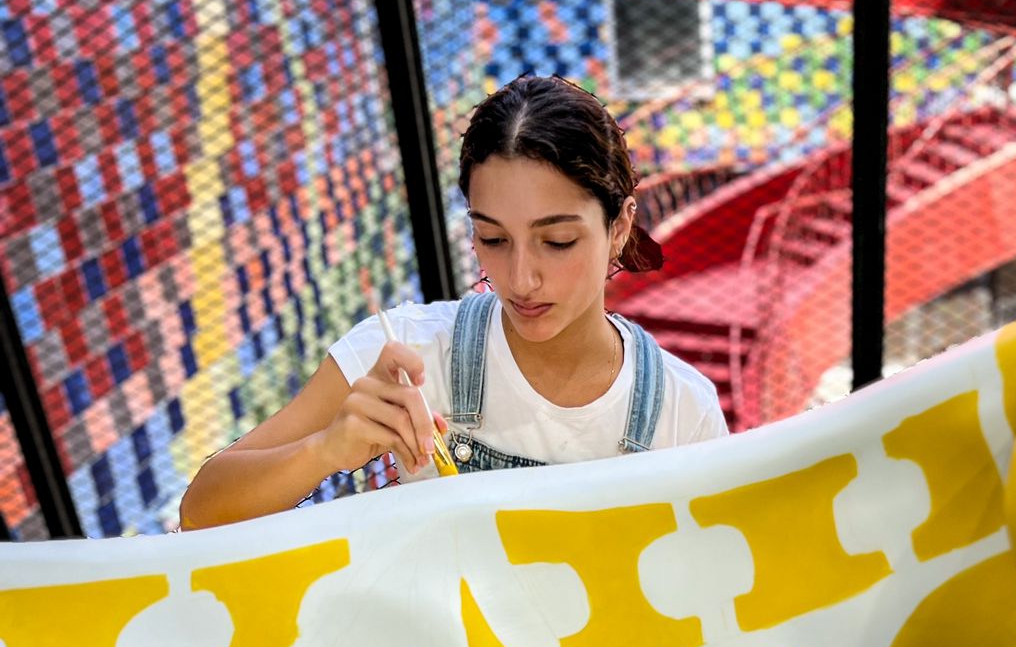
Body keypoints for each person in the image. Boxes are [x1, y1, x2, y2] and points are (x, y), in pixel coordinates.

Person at [180, 75, 728, 529]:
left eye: (557, 241)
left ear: (619, 226)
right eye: (492, 239)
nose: (521, 278)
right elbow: (202, 511)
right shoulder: (407, 352)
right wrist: (325, 450)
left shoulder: (682, 410)